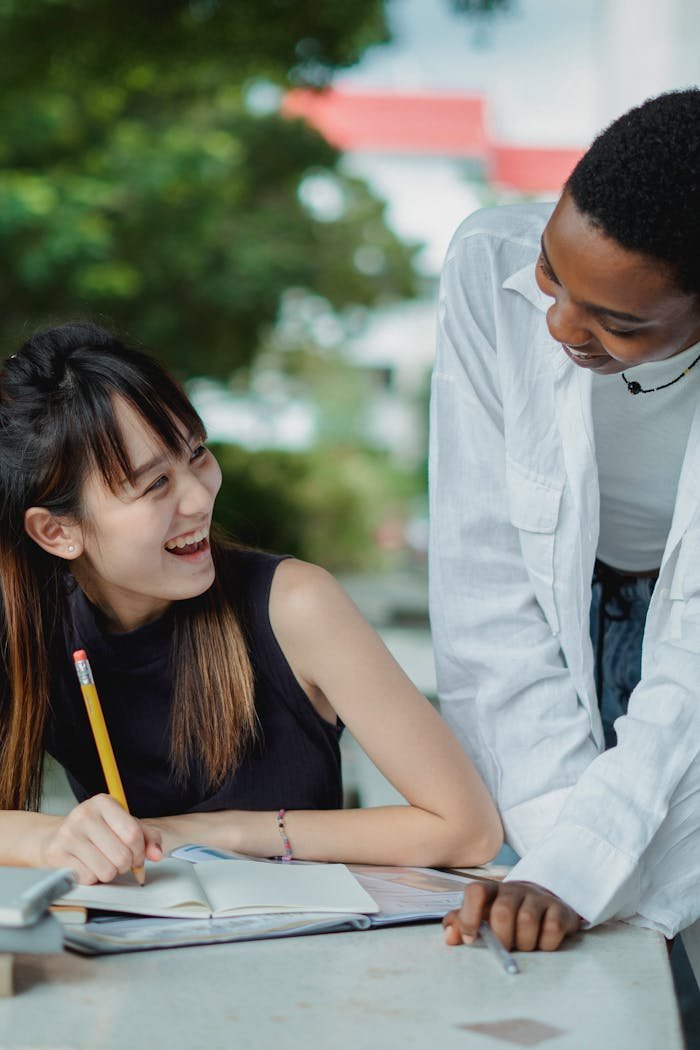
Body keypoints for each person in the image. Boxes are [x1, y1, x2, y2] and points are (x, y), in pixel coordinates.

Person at [0, 321, 502, 885]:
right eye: (155, 485)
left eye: (197, 454)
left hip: (303, 961)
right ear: (55, 532)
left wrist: (217, 831)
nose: (199, 495)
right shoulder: (30, 628)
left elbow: (467, 828)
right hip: (132, 958)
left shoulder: (296, 605)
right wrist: (53, 837)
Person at [429, 89, 700, 953]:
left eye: (619, 324)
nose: (559, 325)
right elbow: (482, 580)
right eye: (552, 272)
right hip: (564, 626)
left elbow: (692, 653)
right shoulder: (486, 261)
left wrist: (581, 865)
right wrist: (558, 850)